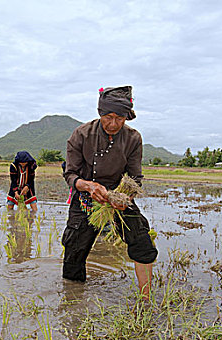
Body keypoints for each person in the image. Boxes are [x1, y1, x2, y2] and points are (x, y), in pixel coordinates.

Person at [62, 86, 158, 299]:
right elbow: (70, 175)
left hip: (119, 196)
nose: (113, 124)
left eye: (120, 118)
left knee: (142, 241)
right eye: (108, 117)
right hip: (87, 197)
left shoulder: (133, 139)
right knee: (74, 251)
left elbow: (134, 178)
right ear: (100, 113)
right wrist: (89, 186)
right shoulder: (81, 135)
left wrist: (125, 198)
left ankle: (145, 299)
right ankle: (72, 299)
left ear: (127, 117)